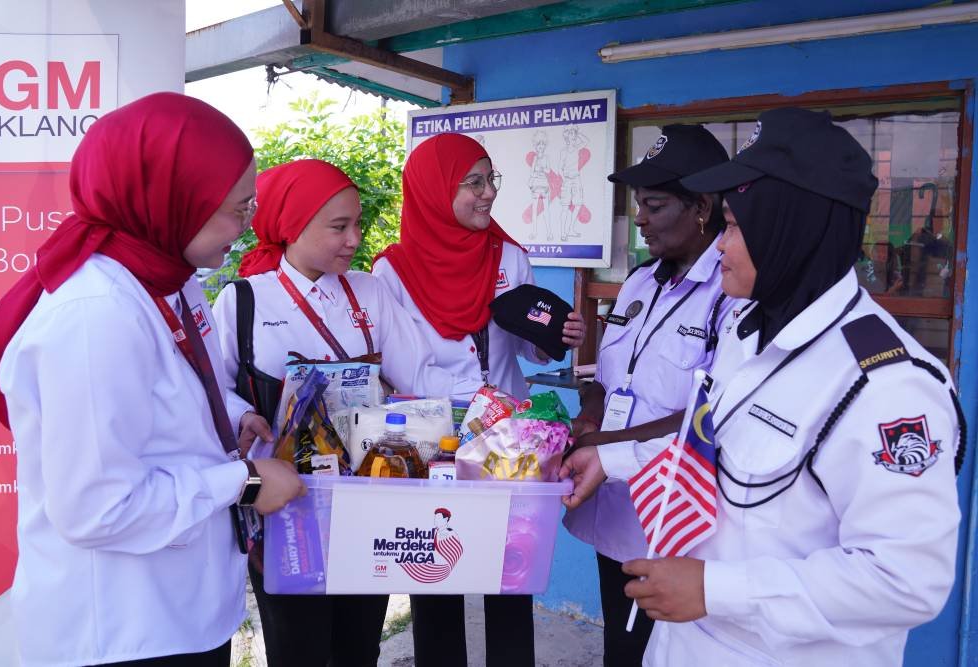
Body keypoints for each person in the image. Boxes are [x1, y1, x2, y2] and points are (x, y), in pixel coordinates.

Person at [561, 107, 963, 666]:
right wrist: (618, 460)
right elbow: (714, 442)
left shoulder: (886, 384)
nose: (720, 246)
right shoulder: (749, 333)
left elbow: (906, 579)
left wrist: (715, 589)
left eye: (732, 226)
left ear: (788, 226)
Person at [0, 92, 306, 667]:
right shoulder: (97, 312)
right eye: (238, 207)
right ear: (173, 201)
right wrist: (246, 483)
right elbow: (98, 509)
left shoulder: (165, 274)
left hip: (179, 609)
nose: (249, 224)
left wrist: (233, 416)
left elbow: (171, 389)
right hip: (123, 633)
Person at [211, 158, 481, 667]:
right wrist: (244, 412)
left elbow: (420, 375)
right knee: (297, 646)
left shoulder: (370, 292)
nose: (355, 239)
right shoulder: (244, 300)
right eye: (339, 226)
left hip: (368, 500)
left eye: (357, 224)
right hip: (286, 506)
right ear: (292, 224)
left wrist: (489, 403)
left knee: (359, 642)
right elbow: (212, 388)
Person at [373, 132, 586, 666]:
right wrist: (459, 408)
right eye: (473, 182)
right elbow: (397, 364)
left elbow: (529, 350)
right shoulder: (392, 271)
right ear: (433, 189)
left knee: (507, 575)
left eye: (492, 180)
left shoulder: (509, 257)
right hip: (434, 443)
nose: (488, 193)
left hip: (507, 443)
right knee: (436, 576)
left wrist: (556, 337)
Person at [563, 124, 741, 666]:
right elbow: (609, 374)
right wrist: (590, 416)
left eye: (655, 205)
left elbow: (713, 413)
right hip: (613, 507)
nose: (639, 218)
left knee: (664, 652)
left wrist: (608, 441)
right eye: (639, 204)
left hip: (672, 520)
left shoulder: (731, 294)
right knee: (621, 647)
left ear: (703, 208)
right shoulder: (640, 282)